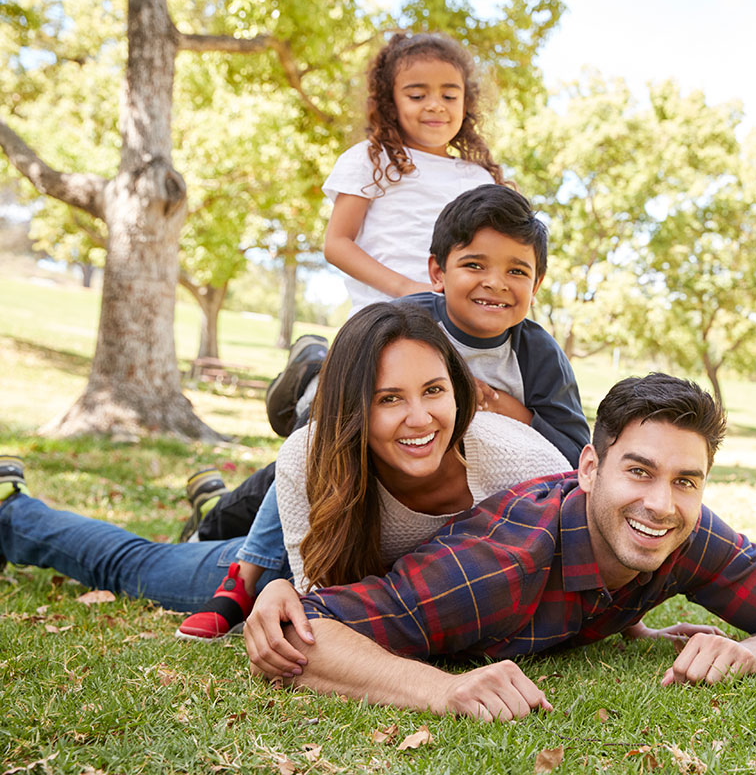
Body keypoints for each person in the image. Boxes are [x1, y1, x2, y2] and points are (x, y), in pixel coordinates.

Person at [251, 374, 756, 722]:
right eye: (639, 472)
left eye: (686, 480)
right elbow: (307, 628)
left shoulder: (685, 533)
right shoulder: (496, 569)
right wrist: (439, 690)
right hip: (330, 554)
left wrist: (754, 655)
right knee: (182, 570)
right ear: (589, 467)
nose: (662, 504)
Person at [177, 185, 590, 639]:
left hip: (428, 495)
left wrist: (497, 403)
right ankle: (241, 572)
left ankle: (216, 502)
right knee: (293, 467)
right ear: (437, 272)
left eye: (517, 270)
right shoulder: (405, 324)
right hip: (360, 478)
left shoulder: (537, 355)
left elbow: (572, 458)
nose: (495, 282)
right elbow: (331, 432)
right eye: (475, 265)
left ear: (537, 284)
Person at [0, 304, 569, 631]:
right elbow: (324, 609)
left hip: (365, 586)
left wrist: (635, 621)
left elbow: (585, 541)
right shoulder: (312, 454)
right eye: (388, 398)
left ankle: (212, 507)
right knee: (138, 568)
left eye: (433, 390)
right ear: (350, 407)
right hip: (293, 578)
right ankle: (12, 512)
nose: (419, 418)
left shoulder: (516, 458)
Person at [323, 31, 504, 314]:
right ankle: (313, 357)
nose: (435, 104)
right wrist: (406, 288)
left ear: (465, 104)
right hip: (383, 316)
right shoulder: (371, 159)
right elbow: (336, 244)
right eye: (417, 95)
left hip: (457, 319)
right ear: (390, 103)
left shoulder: (479, 179)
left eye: (449, 95)